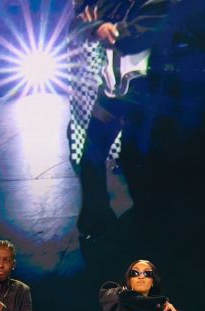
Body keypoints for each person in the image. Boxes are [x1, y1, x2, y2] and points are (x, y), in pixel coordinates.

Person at [72, 0, 174, 238]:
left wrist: (97, 27)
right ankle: (96, 219)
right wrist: (98, 27)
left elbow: (131, 38)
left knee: (134, 157)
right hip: (110, 91)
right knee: (90, 157)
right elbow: (76, 25)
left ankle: (148, 216)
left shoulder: (156, 3)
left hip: (142, 94)